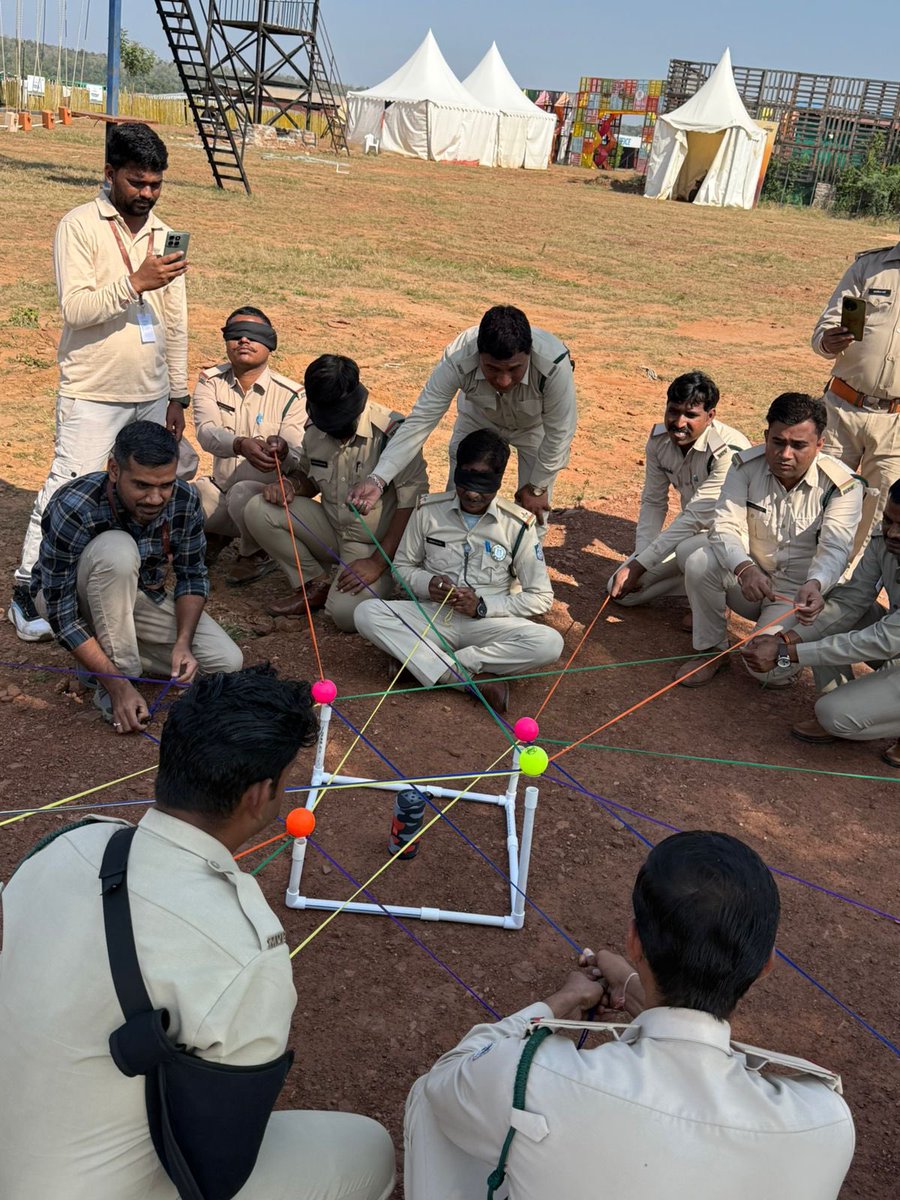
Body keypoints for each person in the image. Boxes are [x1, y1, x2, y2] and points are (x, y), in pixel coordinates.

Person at [0, 665, 396, 1200]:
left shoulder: (67, 845)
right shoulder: (245, 948)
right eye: (285, 781)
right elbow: (219, 1165)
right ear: (259, 794)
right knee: (366, 1150)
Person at [404, 830, 854, 1200]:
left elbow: (449, 1078)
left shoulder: (527, 1080)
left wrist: (561, 1002)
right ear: (766, 965)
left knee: (432, 1099)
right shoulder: (827, 1120)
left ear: (633, 941)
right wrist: (639, 992)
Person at [9, 122, 192, 643]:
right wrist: (136, 281)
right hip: (92, 390)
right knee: (69, 486)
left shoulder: (164, 234)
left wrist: (177, 394)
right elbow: (76, 308)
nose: (147, 195)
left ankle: (131, 584)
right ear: (109, 174)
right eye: (137, 183)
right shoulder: (80, 226)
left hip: (152, 392)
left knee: (146, 491)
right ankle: (29, 587)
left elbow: (175, 321)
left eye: (156, 185)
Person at [31, 422, 242, 734]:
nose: (156, 499)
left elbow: (192, 577)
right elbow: (61, 611)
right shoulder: (75, 505)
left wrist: (183, 642)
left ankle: (97, 659)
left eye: (165, 485)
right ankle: (118, 679)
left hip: (140, 599)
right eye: (143, 486)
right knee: (117, 551)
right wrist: (119, 685)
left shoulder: (184, 499)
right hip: (69, 599)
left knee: (225, 663)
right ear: (114, 470)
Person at [353, 429, 563, 713]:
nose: (473, 493)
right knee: (366, 613)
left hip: (489, 624)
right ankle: (464, 679)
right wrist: (427, 584)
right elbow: (402, 567)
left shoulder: (517, 525)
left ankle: (424, 664)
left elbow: (540, 597)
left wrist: (482, 606)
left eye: (484, 483)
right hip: (434, 615)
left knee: (550, 642)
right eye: (466, 481)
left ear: (500, 481)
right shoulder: (428, 510)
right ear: (456, 473)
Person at [675, 393, 865, 687]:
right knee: (699, 559)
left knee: (766, 671)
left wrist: (816, 585)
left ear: (820, 445)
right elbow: (724, 524)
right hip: (753, 580)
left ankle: (791, 658)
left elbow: (835, 548)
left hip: (797, 597)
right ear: (766, 436)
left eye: (799, 445)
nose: (785, 454)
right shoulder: (744, 466)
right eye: (778, 442)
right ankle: (711, 651)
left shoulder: (842, 485)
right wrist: (744, 568)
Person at [347, 305, 576, 538]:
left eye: (515, 369)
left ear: (529, 354)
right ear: (478, 355)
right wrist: (378, 478)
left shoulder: (553, 363)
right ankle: (451, 554)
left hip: (533, 428)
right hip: (479, 418)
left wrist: (538, 486)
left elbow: (560, 432)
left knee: (533, 510)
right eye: (492, 368)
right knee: (459, 498)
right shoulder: (458, 356)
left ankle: (525, 566)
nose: (504, 380)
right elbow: (421, 420)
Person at [243, 353, 427, 631]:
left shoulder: (393, 434)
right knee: (259, 509)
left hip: (373, 546)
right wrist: (291, 486)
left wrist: (377, 563)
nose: (332, 428)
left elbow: (411, 505)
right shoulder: (315, 430)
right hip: (329, 530)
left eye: (338, 419)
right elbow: (310, 478)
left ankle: (374, 582)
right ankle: (313, 583)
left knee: (344, 615)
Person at [742, 477, 900, 766]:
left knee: (833, 715)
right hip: (894, 638)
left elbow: (880, 641)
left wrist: (783, 654)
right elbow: (851, 601)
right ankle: (846, 697)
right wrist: (785, 639)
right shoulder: (883, 541)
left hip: (891, 639)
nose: (893, 533)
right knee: (836, 605)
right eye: (889, 520)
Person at [608, 371, 749, 615]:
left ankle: (713, 597)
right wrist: (640, 555)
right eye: (673, 411)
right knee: (621, 593)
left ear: (710, 416)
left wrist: (641, 565)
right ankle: (698, 587)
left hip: (733, 542)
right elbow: (653, 501)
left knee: (687, 552)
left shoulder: (728, 451)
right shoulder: (659, 441)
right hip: (690, 535)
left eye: (691, 415)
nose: (679, 422)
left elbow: (696, 516)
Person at [191, 306, 305, 583]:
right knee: (190, 497)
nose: (244, 340)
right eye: (235, 334)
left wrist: (283, 450)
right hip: (221, 490)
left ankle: (256, 553)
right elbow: (206, 432)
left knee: (243, 493)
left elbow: (298, 456)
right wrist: (240, 444)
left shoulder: (293, 395)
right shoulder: (209, 382)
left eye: (253, 334)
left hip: (266, 500)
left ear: (270, 343)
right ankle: (217, 533)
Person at [812, 239, 900, 518]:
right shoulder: (868, 267)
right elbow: (823, 330)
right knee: (820, 496)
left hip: (895, 422)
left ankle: (858, 564)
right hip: (842, 408)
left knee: (880, 512)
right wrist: (828, 341)